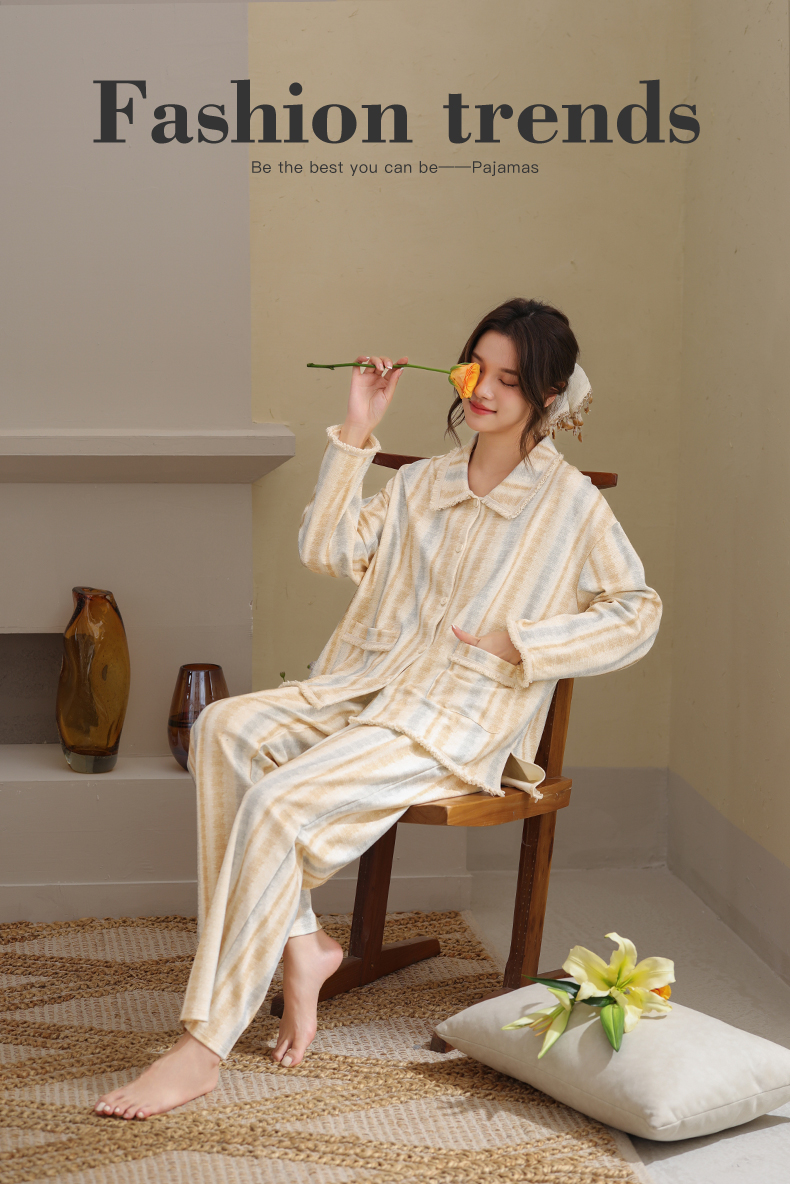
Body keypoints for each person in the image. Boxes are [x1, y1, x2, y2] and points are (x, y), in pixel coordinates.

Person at [94, 297, 661, 1120]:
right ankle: (303, 941)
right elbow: (324, 550)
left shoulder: (569, 504)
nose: (484, 391)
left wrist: (524, 641)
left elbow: (637, 612)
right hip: (361, 687)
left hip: (451, 718)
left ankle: (201, 1048)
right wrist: (358, 432)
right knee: (222, 726)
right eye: (477, 368)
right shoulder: (422, 483)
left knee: (278, 803)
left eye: (511, 380)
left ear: (547, 394)